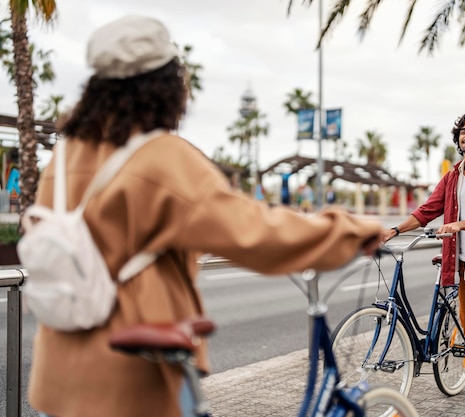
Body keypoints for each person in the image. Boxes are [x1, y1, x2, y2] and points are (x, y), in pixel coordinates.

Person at [28, 15, 384, 417]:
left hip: (57, 378)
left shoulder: (66, 155)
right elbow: (254, 231)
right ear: (166, 85)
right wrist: (350, 230)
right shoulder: (161, 158)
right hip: (130, 384)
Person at [383, 112, 465, 417]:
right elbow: (427, 210)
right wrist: (394, 230)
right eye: (463, 131)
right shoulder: (453, 177)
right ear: (458, 139)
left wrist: (458, 225)